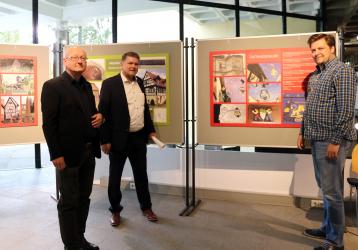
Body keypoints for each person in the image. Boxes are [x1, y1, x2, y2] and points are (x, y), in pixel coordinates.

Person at [297, 33, 357, 250]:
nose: (316, 53)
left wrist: (336, 140)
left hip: (332, 140)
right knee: (326, 188)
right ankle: (327, 227)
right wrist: (302, 132)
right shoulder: (315, 76)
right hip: (316, 138)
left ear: (332, 48)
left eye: (320, 48)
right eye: (313, 50)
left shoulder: (342, 71)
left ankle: (335, 242)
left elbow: (346, 111)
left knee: (332, 193)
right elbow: (309, 109)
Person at [41, 47, 102, 250]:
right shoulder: (53, 86)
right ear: (65, 61)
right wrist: (55, 153)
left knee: (84, 198)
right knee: (69, 202)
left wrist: (100, 116)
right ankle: (71, 245)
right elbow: (49, 124)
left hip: (88, 152)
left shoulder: (86, 86)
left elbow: (92, 114)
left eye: (83, 58)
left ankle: (79, 238)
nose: (80, 61)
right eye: (75, 57)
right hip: (67, 155)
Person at [98, 51, 158, 227]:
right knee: (115, 178)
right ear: (122, 64)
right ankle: (115, 210)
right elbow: (103, 114)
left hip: (138, 139)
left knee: (141, 175)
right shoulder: (110, 84)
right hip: (118, 140)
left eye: (136, 64)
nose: (133, 66)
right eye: (130, 63)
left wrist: (151, 130)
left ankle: (146, 208)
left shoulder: (140, 83)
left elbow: (144, 109)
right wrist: (104, 140)